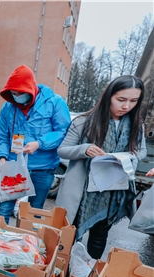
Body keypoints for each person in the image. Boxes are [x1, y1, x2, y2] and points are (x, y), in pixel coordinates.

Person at [56, 75, 146, 259]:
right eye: (121, 100)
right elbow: (63, 150)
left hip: (112, 192)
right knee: (68, 237)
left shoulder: (137, 125)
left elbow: (141, 151)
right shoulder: (84, 121)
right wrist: (85, 149)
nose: (126, 106)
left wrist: (130, 156)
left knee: (99, 237)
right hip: (82, 192)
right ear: (108, 96)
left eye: (133, 101)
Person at [0, 64, 71, 223]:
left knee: (34, 212)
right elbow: (2, 136)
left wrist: (39, 143)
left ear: (31, 89)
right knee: (4, 208)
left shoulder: (55, 103)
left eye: (20, 93)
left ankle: (27, 244)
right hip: (13, 165)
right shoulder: (8, 107)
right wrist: (2, 157)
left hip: (43, 168)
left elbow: (62, 131)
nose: (16, 97)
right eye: (13, 93)